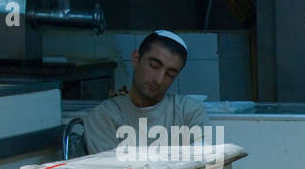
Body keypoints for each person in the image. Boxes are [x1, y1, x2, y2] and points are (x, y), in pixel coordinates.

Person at [81, 30, 209, 156]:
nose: (158, 79)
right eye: (154, 66)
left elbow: (204, 166)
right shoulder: (104, 117)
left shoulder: (189, 113)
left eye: (170, 74)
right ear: (136, 58)